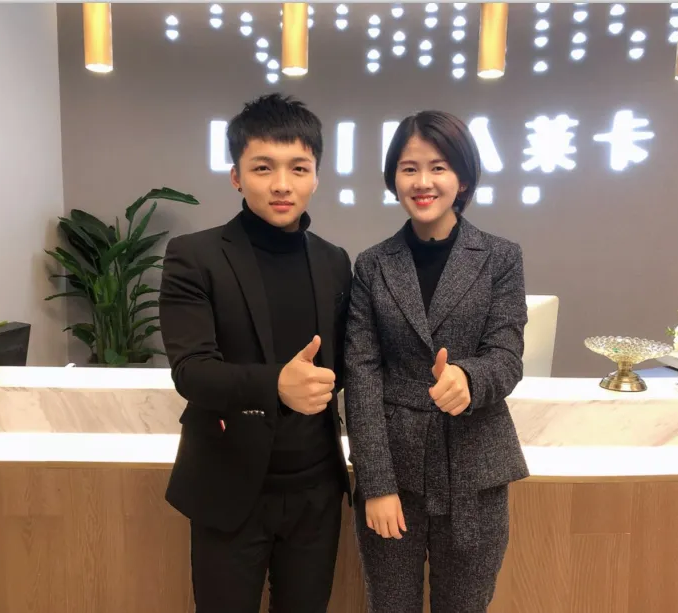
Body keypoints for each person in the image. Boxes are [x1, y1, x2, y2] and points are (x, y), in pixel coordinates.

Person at [159, 93, 352, 613]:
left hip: (316, 490)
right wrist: (275, 384)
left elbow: (350, 365)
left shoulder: (335, 262)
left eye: (298, 168)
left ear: (316, 177)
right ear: (236, 177)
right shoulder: (194, 256)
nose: (282, 184)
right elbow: (191, 371)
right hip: (229, 486)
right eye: (263, 167)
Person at [344, 110, 529, 613]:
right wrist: (376, 484)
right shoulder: (373, 264)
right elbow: (362, 375)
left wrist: (469, 377)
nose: (423, 182)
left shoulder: (500, 257)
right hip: (394, 470)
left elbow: (506, 355)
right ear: (394, 179)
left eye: (438, 167)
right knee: (390, 605)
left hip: (475, 465)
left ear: (462, 178)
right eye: (409, 168)